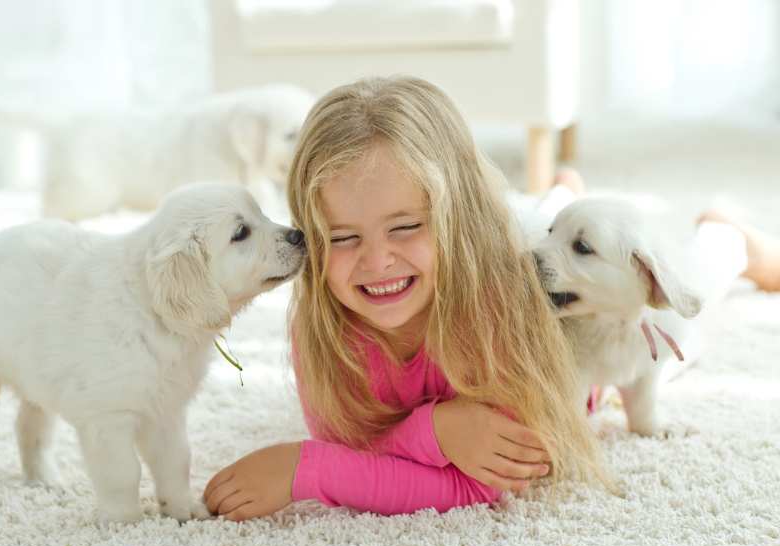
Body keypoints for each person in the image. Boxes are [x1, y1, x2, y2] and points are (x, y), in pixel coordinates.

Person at [202, 76, 780, 522]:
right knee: (549, 219)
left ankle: (730, 236)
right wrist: (436, 429)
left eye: (405, 227)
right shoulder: (326, 324)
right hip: (538, 248)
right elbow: (355, 442)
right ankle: (562, 193)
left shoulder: (497, 310)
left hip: (591, 324)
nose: (375, 262)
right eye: (344, 237)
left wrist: (309, 470)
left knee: (687, 312)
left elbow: (481, 482)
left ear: (459, 222)